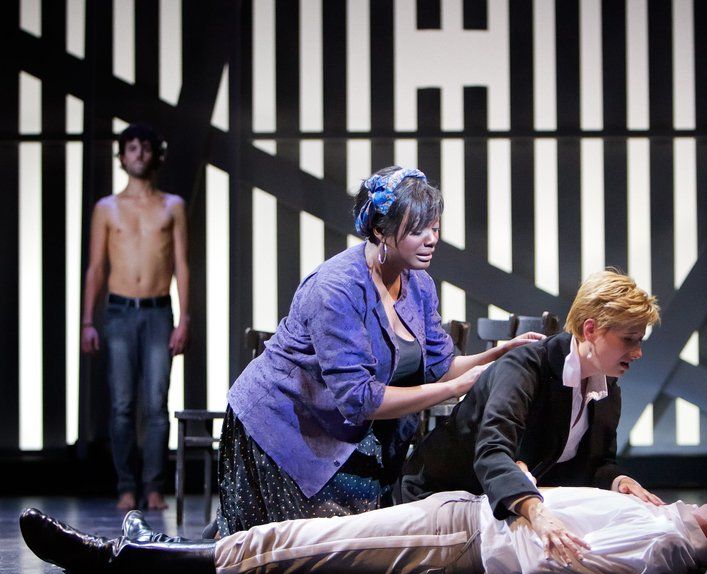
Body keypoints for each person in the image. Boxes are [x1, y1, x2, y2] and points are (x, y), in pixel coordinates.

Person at [215, 165, 541, 536]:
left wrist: (498, 355)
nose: (431, 239)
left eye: (435, 228)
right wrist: (455, 388)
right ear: (379, 231)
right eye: (418, 230)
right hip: (284, 428)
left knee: (353, 543)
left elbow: (440, 366)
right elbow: (359, 398)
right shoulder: (336, 289)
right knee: (285, 547)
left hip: (342, 432)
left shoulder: (418, 284)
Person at [19, 482, 707, 574]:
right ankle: (148, 549)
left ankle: (115, 560)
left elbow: (566, 562)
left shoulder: (667, 547)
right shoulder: (673, 524)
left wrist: (530, 517)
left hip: (467, 537)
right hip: (463, 518)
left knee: (298, 548)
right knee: (299, 535)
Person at [396, 270, 661, 558]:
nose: (638, 352)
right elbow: (492, 454)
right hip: (445, 497)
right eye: (629, 339)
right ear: (590, 330)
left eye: (640, 341)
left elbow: (596, 463)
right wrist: (535, 510)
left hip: (501, 506)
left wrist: (619, 482)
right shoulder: (523, 368)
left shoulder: (606, 387)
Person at [80, 123, 190, 512]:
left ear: (155, 155)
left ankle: (154, 487)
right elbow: (96, 267)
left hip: (159, 312)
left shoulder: (172, 205)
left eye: (145, 147)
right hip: (119, 312)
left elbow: (182, 264)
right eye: (131, 148)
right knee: (122, 405)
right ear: (122, 156)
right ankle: (127, 487)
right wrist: (87, 322)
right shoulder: (107, 208)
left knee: (157, 405)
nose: (138, 153)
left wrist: (185, 319)